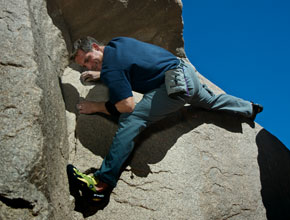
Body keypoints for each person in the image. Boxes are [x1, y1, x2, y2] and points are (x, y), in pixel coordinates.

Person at [68, 36, 263, 201]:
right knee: (211, 100)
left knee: (131, 120)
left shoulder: (111, 69)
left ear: (94, 47)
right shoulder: (117, 42)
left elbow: (127, 105)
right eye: (84, 64)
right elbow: (128, 64)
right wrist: (101, 73)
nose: (88, 64)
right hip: (186, 74)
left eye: (87, 59)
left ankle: (101, 184)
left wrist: (96, 106)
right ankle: (248, 108)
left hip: (175, 88)